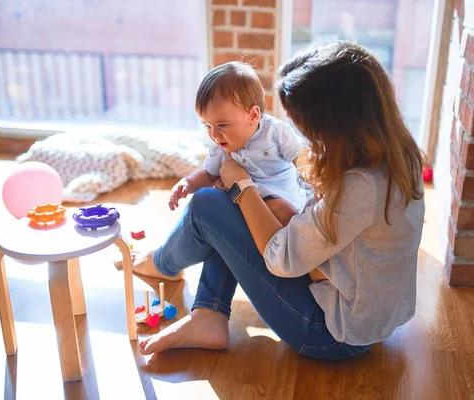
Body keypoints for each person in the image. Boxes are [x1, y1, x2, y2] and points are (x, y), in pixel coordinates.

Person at [132, 40, 425, 360]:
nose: (307, 138)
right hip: (369, 313)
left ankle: (163, 264)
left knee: (208, 204)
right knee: (229, 212)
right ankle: (208, 313)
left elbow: (281, 258)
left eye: (308, 128)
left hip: (332, 333)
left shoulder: (360, 187)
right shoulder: (400, 156)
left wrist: (241, 184)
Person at [169, 61, 308, 224]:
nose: (214, 134)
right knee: (212, 204)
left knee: (285, 211)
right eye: (207, 125)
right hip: (242, 201)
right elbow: (208, 174)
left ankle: (280, 244)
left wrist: (319, 186)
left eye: (222, 125)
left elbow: (302, 159)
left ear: (253, 116)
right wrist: (187, 183)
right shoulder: (221, 143)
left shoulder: (275, 132)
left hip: (279, 196)